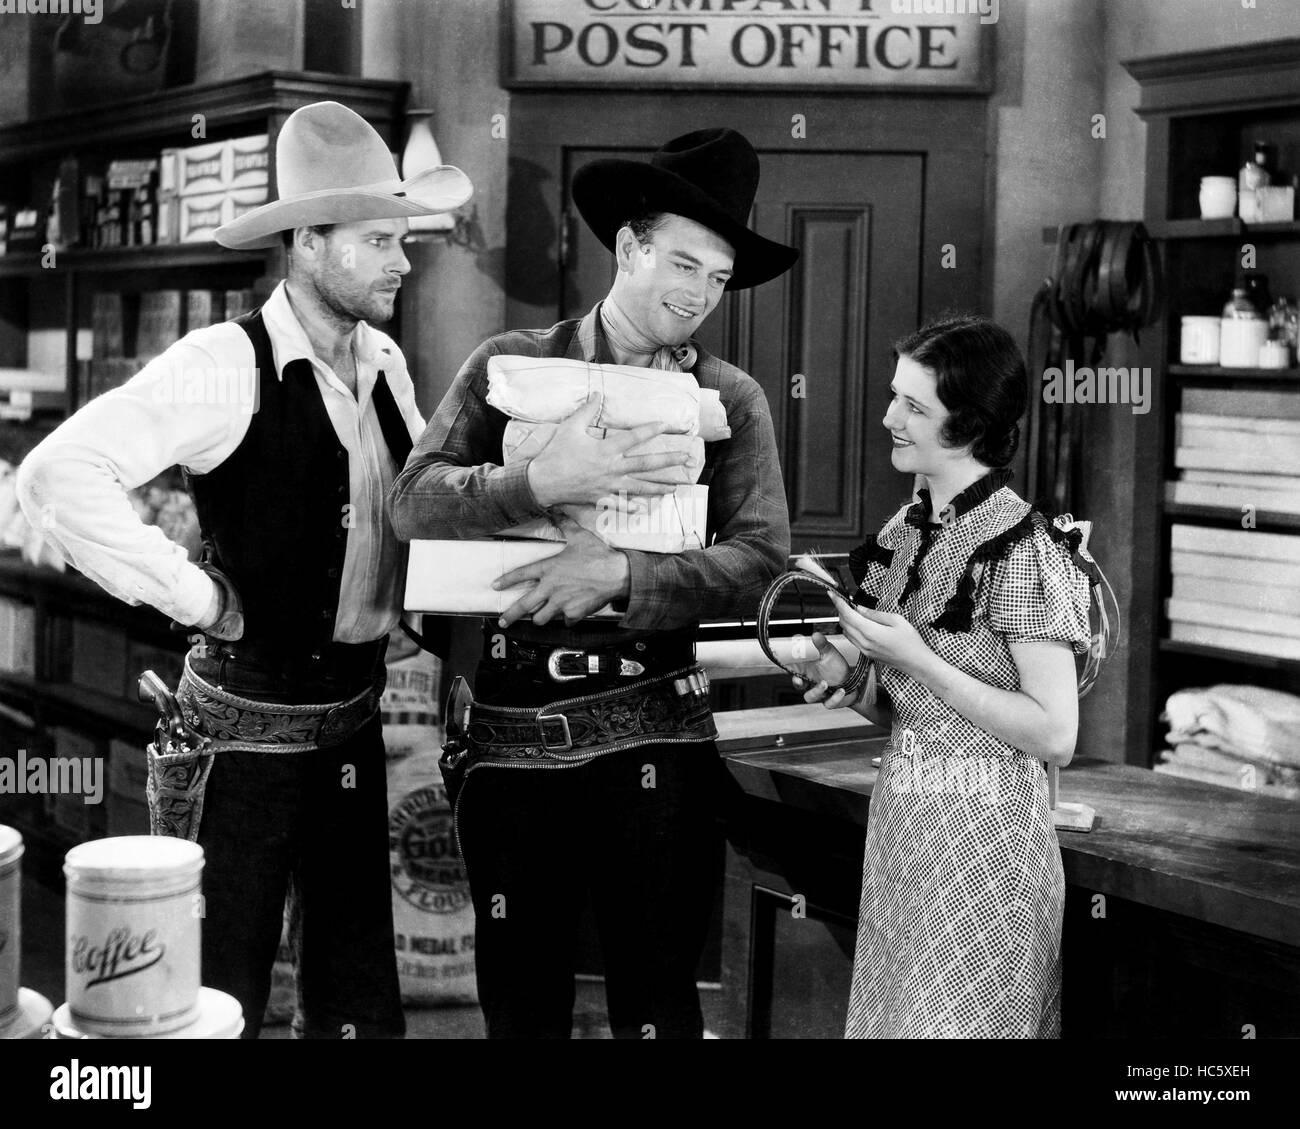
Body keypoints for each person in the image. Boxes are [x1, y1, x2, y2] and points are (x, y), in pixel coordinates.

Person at [17, 101, 472, 1039]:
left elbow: (408, 514)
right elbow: (58, 473)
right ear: (309, 240)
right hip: (242, 733)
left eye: (403, 239)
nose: (404, 260)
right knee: (215, 996)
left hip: (351, 720)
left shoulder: (383, 361)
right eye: (381, 240)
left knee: (355, 997)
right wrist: (196, 595)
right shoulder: (223, 362)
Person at [388, 128, 794, 1039]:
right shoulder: (509, 363)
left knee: (656, 1003)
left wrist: (622, 573)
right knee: (521, 999)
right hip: (513, 730)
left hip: (658, 724)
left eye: (718, 280)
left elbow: (761, 559)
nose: (697, 296)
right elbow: (411, 502)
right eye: (682, 265)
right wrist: (538, 482)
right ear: (629, 248)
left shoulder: (732, 398)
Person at [792, 314, 1093, 1039]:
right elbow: (917, 706)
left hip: (988, 853)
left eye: (914, 406)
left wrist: (917, 658)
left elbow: (1055, 733)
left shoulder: (1023, 549)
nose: (890, 417)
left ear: (970, 424)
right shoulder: (905, 533)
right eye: (896, 396)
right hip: (905, 836)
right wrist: (853, 676)